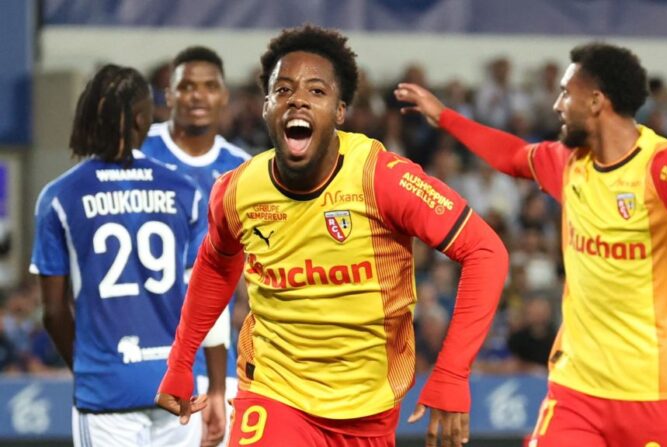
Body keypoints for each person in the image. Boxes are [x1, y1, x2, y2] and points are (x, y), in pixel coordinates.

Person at [394, 42, 667, 447]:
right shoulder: (568, 163)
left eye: (566, 93)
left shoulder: (661, 165)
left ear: (596, 101)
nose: (557, 105)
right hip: (577, 390)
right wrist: (445, 117)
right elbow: (512, 155)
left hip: (658, 394)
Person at [155, 25, 509, 447]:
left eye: (316, 92)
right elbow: (216, 264)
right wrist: (180, 360)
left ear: (340, 112)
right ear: (266, 106)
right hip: (273, 395)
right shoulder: (237, 190)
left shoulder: (381, 178)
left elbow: (486, 251)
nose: (298, 99)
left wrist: (452, 373)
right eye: (282, 90)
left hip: (369, 411)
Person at [30, 64, 209, 446]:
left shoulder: (60, 196)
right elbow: (201, 298)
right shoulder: (186, 190)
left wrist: (88, 370)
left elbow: (54, 312)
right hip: (176, 385)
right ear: (143, 118)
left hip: (107, 388)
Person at [140, 45, 250, 447]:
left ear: (224, 96)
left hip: (211, 351)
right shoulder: (136, 154)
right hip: (138, 346)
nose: (197, 95)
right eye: (186, 86)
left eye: (209, 86)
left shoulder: (244, 169)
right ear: (168, 95)